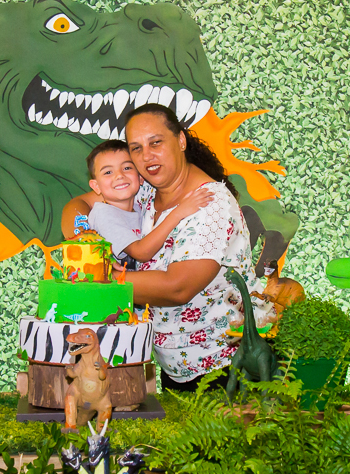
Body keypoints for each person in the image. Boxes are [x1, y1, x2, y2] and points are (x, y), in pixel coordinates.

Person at [62, 104, 257, 391]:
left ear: (181, 140)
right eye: (136, 148)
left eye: (156, 143)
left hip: (225, 368)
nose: (146, 156)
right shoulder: (145, 189)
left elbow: (177, 288)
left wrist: (98, 277)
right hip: (175, 370)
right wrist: (84, 237)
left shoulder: (211, 205)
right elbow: (79, 204)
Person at [79, 139, 213, 265]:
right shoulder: (103, 214)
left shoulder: (140, 207)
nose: (119, 175)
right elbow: (141, 253)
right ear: (96, 186)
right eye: (108, 172)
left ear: (140, 177)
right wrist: (179, 212)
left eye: (127, 168)